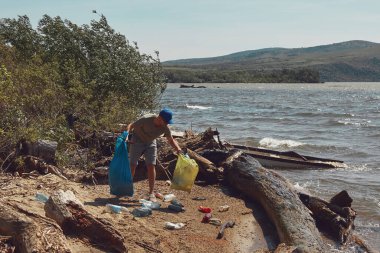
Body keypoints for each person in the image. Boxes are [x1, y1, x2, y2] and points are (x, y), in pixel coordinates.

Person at [127, 108, 182, 202]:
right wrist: (127, 136)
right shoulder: (146, 119)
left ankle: (151, 193)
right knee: (133, 164)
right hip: (137, 139)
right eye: (166, 121)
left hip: (150, 142)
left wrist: (178, 149)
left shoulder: (165, 127)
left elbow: (171, 140)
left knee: (151, 166)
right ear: (159, 118)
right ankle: (127, 188)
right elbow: (131, 126)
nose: (167, 124)